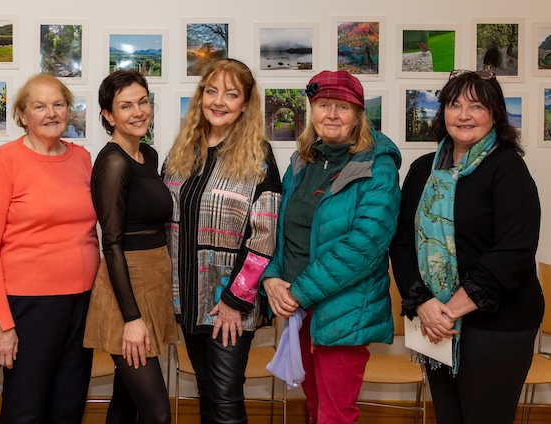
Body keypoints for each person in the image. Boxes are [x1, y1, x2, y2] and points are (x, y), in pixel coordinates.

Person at [389, 69, 542, 423]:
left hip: (498, 322)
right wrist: (423, 303)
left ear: (495, 113)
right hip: (433, 319)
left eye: (476, 106)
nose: (463, 115)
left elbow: (514, 253)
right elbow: (402, 242)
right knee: (448, 416)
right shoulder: (423, 170)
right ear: (443, 112)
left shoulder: (508, 169)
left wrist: (448, 311)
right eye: (455, 105)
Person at [261, 69, 401, 423]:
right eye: (324, 105)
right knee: (314, 407)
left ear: (358, 115)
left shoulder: (377, 165)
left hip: (343, 312)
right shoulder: (303, 161)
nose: (332, 114)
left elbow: (366, 244)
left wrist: (299, 291)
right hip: (300, 310)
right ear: (312, 111)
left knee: (335, 414)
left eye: (343, 106)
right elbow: (283, 229)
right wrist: (273, 277)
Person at [0, 73, 100, 423]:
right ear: (22, 114)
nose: (51, 113)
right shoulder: (6, 160)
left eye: (58, 104)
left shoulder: (82, 158)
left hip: (82, 302)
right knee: (26, 410)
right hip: (28, 305)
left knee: (69, 406)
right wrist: (1, 324)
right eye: (39, 106)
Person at [163, 58, 281, 423]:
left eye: (231, 94)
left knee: (226, 400)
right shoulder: (182, 151)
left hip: (228, 303)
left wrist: (233, 300)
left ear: (245, 103)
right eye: (211, 91)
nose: (218, 101)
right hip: (186, 298)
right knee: (206, 393)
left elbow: (265, 236)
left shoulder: (258, 156)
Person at [83, 70, 178, 424]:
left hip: (153, 280)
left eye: (143, 102)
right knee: (157, 412)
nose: (138, 112)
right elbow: (111, 243)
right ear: (109, 115)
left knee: (126, 401)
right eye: (126, 106)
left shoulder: (147, 155)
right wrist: (132, 318)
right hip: (125, 288)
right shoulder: (113, 162)